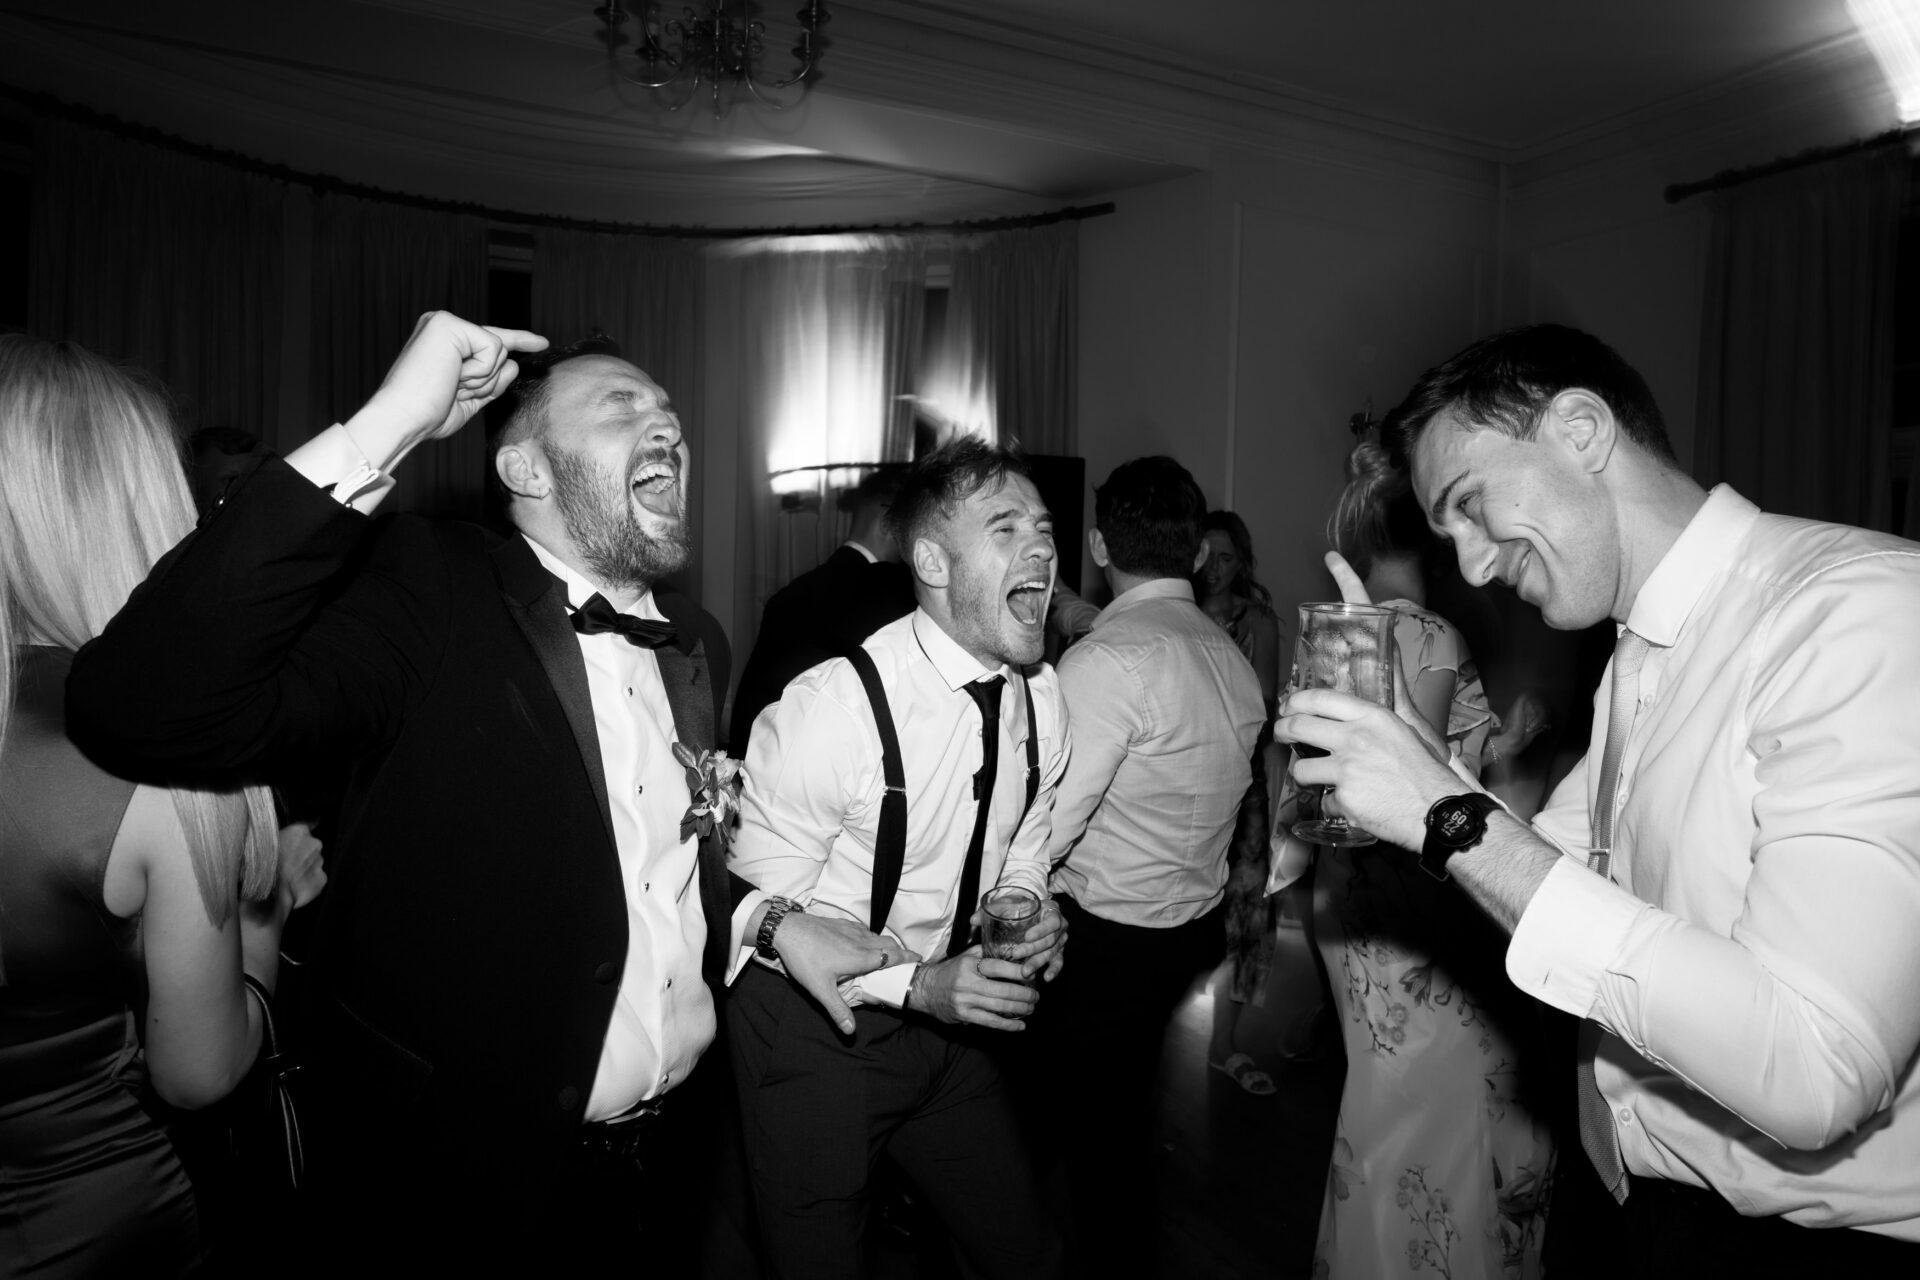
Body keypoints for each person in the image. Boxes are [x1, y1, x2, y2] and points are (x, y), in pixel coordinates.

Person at [64, 313, 910, 1268]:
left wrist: (764, 920)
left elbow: (637, 858)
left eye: (670, 411)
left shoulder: (695, 640)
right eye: (624, 404)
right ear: (527, 471)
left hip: (667, 1171)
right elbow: (141, 702)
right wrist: (393, 418)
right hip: (457, 1188)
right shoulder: (429, 585)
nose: (666, 424)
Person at [1277, 323, 1920, 1276]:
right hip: (1626, 1202)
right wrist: (1435, 779)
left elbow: (1818, 1067)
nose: (1472, 566)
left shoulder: (1859, 611)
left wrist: (1445, 814)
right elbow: (1543, 877)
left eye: (1470, 506)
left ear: (1581, 431)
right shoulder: (1641, 653)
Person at [0, 336, 321, 1275]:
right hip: (98, 1224)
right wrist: (265, 920)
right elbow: (201, 1071)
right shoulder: (159, 754)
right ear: (135, 508)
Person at [729, 436, 1070, 1280]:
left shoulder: (1046, 697)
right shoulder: (830, 712)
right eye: (1005, 527)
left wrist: (1024, 910)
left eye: (1045, 527)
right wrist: (916, 985)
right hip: (816, 1034)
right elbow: (758, 911)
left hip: (952, 1032)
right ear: (931, 561)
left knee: (1024, 1251)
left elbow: (1026, 836)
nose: (1041, 546)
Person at [1288, 437, 1555, 1278]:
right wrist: (1497, 750)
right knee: (1446, 1112)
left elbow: (1320, 784)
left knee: (1388, 1103)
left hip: (1354, 899)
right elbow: (1417, 777)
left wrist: (1495, 746)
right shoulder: (1430, 633)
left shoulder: (1331, 636)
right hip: (1421, 903)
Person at [1044, 459, 1265, 1275]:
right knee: (1128, 1139)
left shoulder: (1111, 660)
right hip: (1189, 935)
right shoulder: (1230, 659)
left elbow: (1047, 826)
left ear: (1100, 542)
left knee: (1086, 1155)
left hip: (1102, 946)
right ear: (1199, 554)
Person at [1195, 509, 1293, 1092]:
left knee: (1249, 912)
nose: (1214, 568)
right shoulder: (1171, 614)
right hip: (1179, 781)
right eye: (1204, 554)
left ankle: (1223, 1043)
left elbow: (1263, 711)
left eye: (1227, 557)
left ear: (1242, 563)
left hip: (1241, 785)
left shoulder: (1258, 621)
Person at [730, 466, 916, 751]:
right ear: (889, 522)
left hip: (764, 753)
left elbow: (752, 702)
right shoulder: (892, 591)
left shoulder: (791, 593)